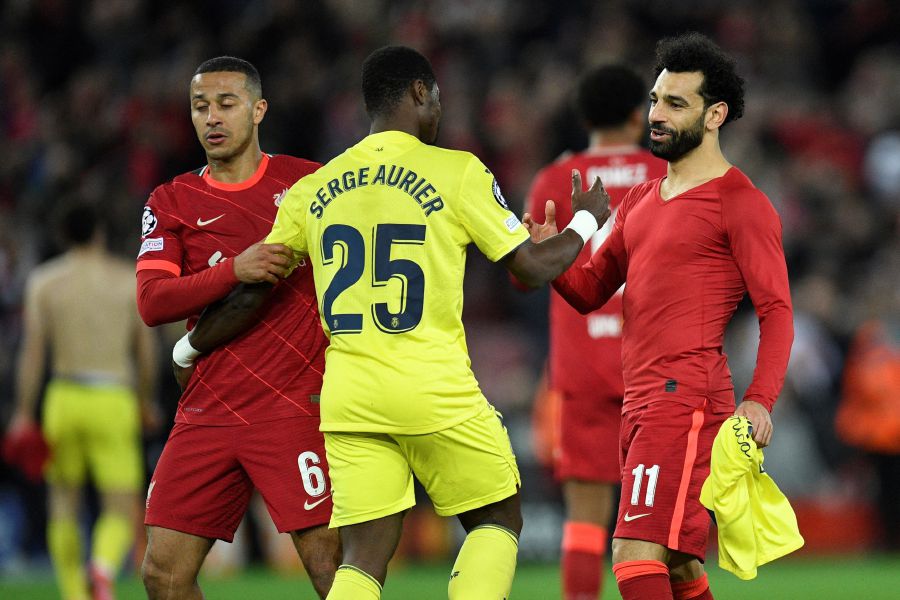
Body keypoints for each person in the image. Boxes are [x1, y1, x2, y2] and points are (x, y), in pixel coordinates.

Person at [172, 45, 611, 600]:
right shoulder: (457, 171)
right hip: (432, 386)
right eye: (438, 99)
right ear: (420, 93)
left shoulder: (312, 189)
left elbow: (249, 298)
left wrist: (189, 349)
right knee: (498, 518)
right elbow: (532, 264)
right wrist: (588, 221)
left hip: (350, 397)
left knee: (365, 555)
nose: (441, 111)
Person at [524, 33, 793, 600]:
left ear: (715, 114)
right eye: (654, 100)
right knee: (677, 567)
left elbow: (776, 310)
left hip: (686, 399)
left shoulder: (739, 201)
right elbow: (591, 290)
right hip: (641, 399)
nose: (657, 115)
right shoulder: (641, 199)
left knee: (632, 553)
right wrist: (555, 253)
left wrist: (760, 399)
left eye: (676, 103)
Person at [134, 56, 340, 599]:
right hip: (207, 407)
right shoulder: (171, 200)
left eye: (226, 104)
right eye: (200, 107)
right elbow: (152, 302)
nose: (212, 118)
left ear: (258, 109)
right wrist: (234, 270)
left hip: (294, 405)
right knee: (162, 572)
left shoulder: (308, 183)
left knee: (331, 569)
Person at [523, 64, 666, 599]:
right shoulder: (665, 172)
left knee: (585, 519)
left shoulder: (553, 178)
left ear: (584, 117)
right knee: (659, 519)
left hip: (582, 365)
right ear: (639, 114)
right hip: (654, 366)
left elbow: (523, 274)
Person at [8, 200, 158, 600]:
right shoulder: (127, 280)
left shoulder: (44, 281)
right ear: (100, 232)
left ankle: (75, 594)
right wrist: (146, 399)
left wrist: (24, 411)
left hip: (64, 396)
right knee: (120, 503)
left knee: (62, 503)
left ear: (63, 236)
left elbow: (33, 352)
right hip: (113, 396)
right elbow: (145, 351)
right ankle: (103, 568)